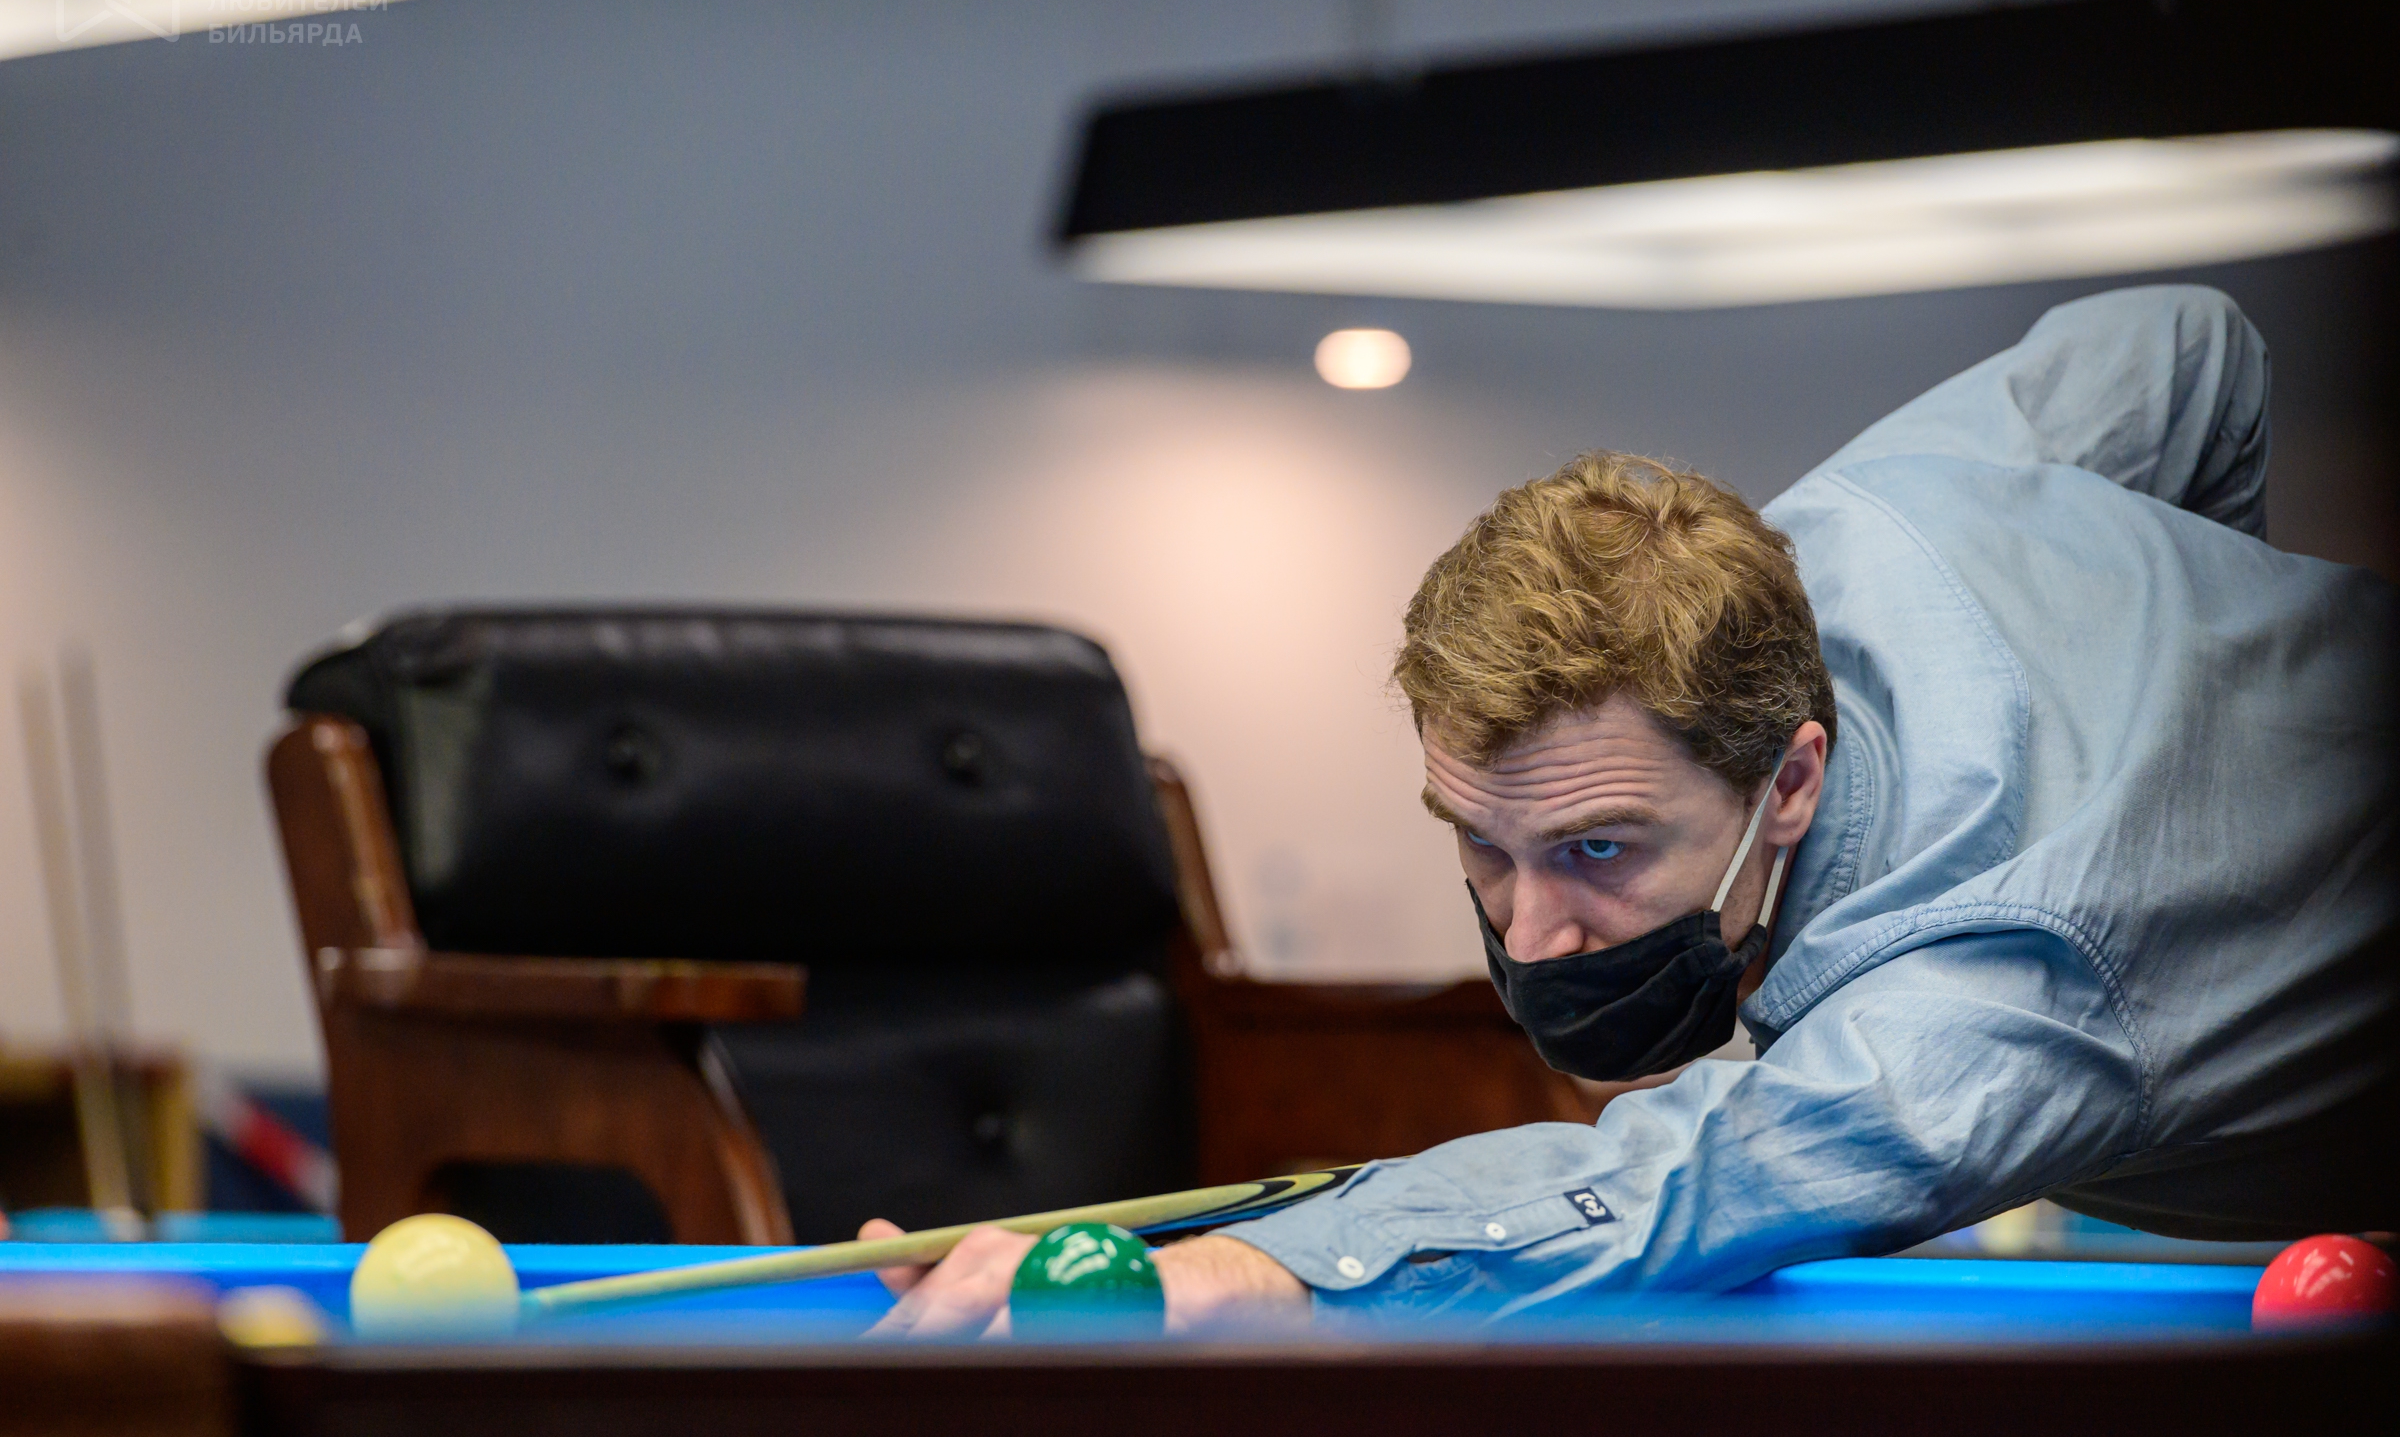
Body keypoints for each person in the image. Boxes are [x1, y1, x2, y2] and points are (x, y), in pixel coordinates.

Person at [866, 285, 2399, 1337]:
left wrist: (1241, 1279)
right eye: (1482, 843)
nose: (1533, 932)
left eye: (1597, 850)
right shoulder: (1847, 533)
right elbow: (2190, 348)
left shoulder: (2000, 982)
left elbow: (1663, 1191)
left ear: (1789, 781)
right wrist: (2207, 653)